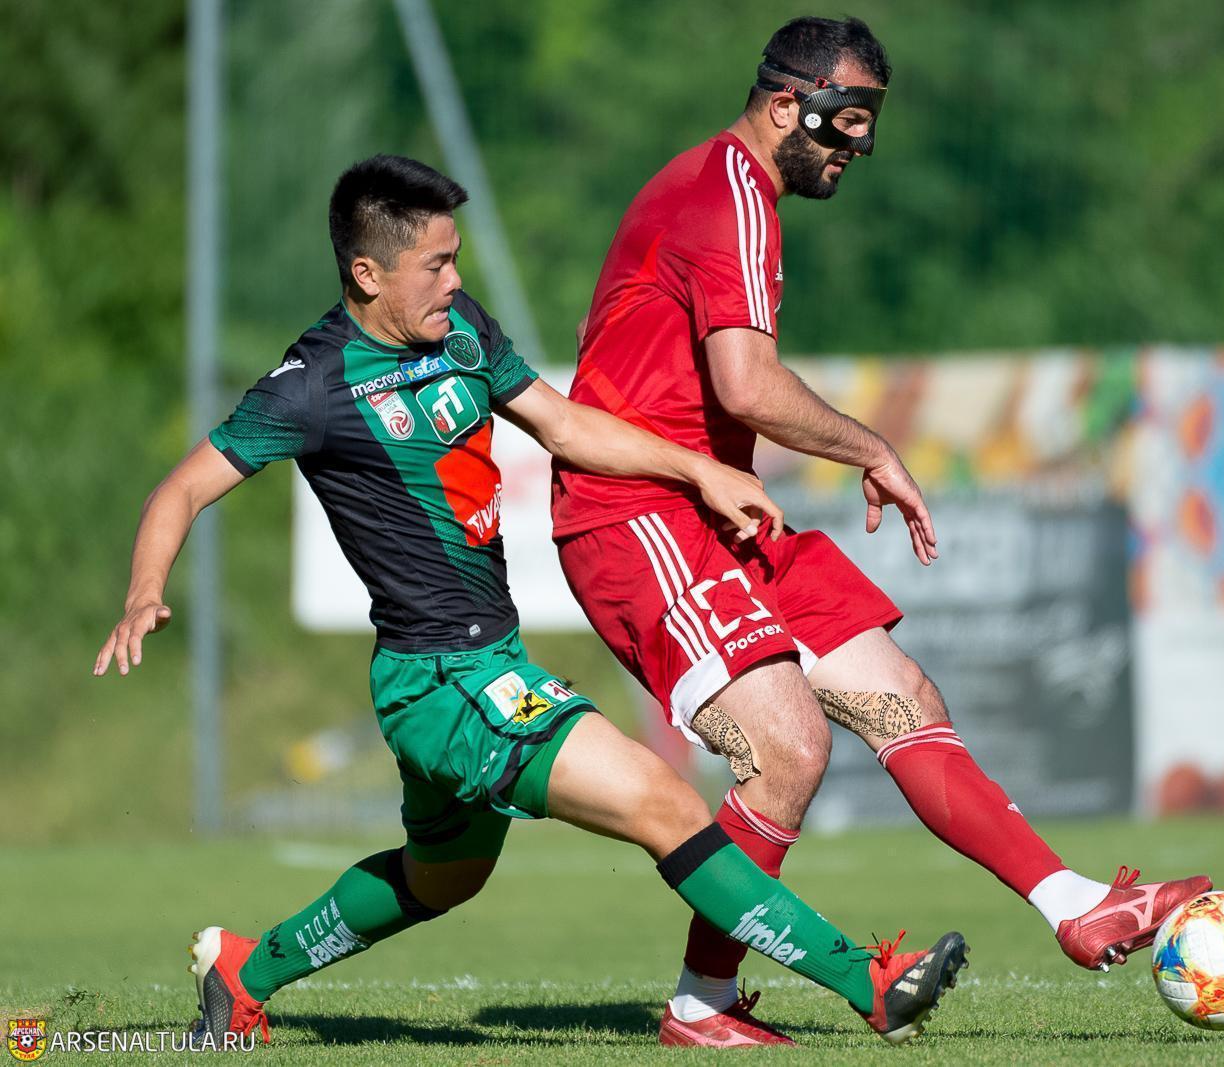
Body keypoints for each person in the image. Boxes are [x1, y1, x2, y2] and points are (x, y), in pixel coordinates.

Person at [93, 154, 967, 1048]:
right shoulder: (312, 384)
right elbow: (182, 488)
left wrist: (698, 470)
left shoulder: (460, 329)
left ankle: (246, 971)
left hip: (480, 664)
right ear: (367, 273)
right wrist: (144, 592)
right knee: (665, 803)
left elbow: (564, 423)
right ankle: (867, 983)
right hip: (445, 682)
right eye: (435, 264)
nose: (454, 279)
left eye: (455, 258)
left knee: (444, 877)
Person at [553, 16, 1211, 1047]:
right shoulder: (727, 192)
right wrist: (871, 448)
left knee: (902, 694)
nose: (860, 145)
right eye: (848, 121)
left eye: (869, 124)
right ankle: (701, 1003)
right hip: (635, 514)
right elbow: (745, 384)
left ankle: (1074, 904)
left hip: (718, 509)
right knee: (788, 747)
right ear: (788, 105)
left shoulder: (731, 191)